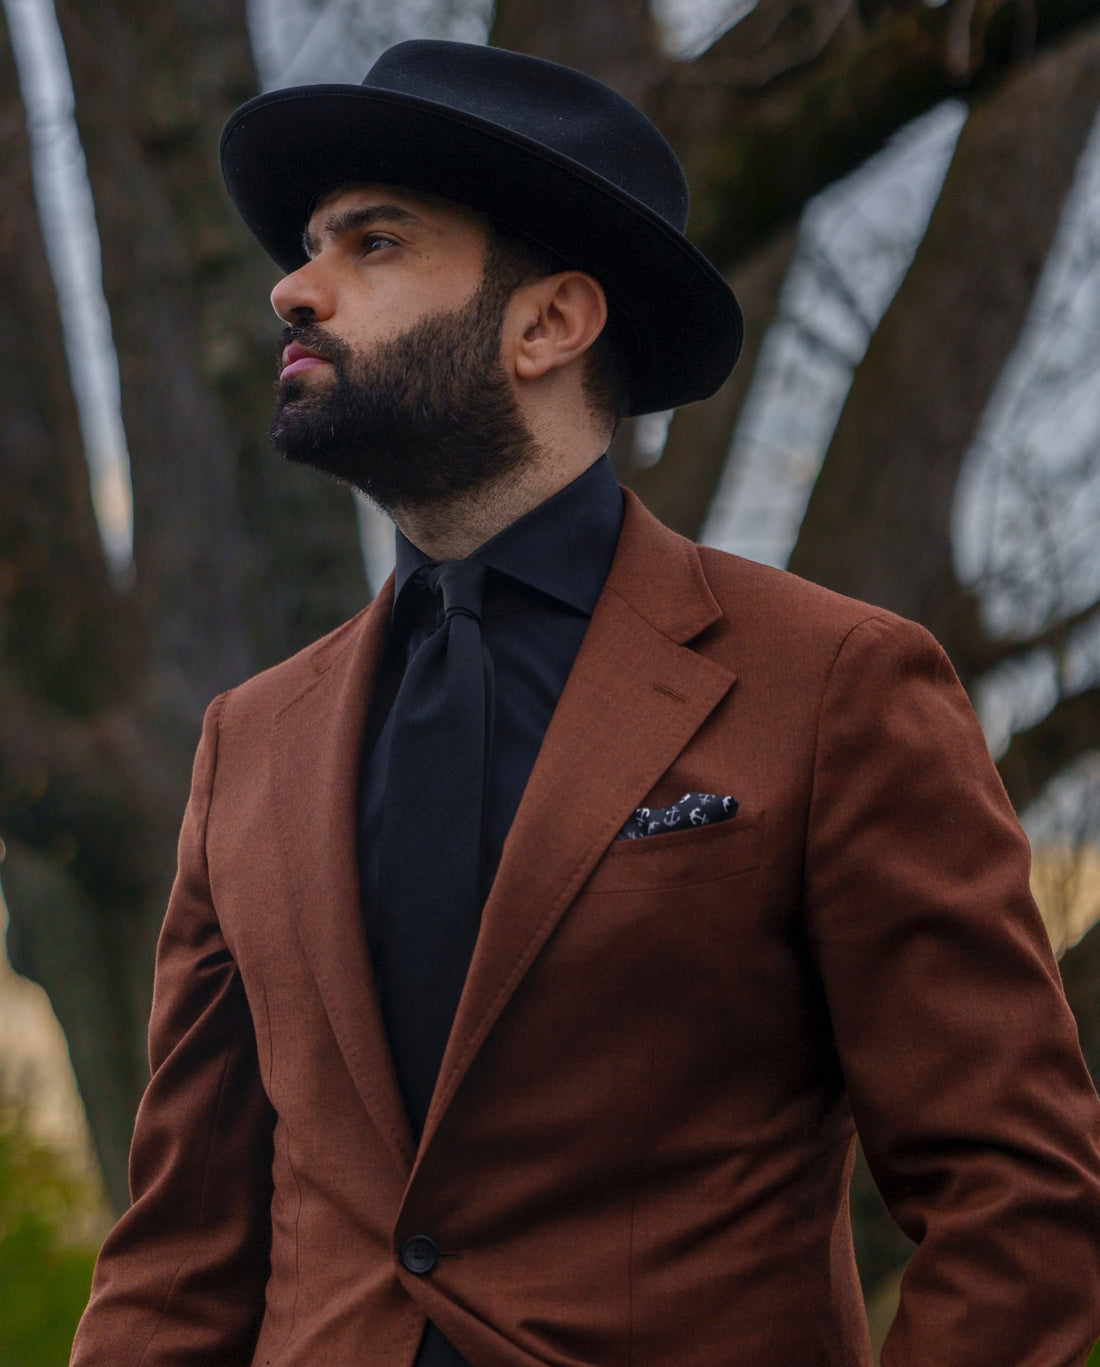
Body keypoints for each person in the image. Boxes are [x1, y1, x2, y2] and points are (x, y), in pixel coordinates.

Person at [71, 38, 1100, 1367]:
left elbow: (1019, 1195)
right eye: (307, 250)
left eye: (373, 244)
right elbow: (176, 1260)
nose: (294, 289)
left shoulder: (831, 684)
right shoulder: (248, 743)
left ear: (549, 324)